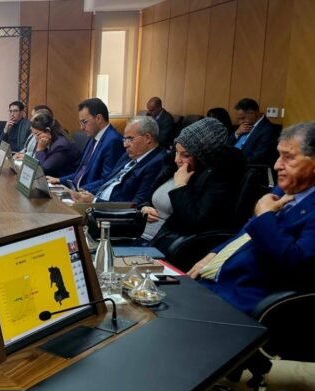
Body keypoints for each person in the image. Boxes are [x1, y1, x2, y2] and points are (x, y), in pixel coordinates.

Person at [188, 121, 315, 314]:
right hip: (216, 283)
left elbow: (296, 265)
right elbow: (246, 233)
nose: (276, 165)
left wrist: (265, 215)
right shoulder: (284, 189)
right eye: (279, 155)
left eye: (288, 157)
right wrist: (214, 254)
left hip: (244, 302)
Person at [140, 118, 245, 254]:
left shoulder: (219, 177)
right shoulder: (174, 167)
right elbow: (150, 198)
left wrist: (180, 186)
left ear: (202, 156)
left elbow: (193, 222)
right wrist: (144, 208)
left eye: (185, 155)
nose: (177, 159)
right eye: (176, 151)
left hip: (168, 244)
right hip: (144, 234)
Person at [69, 116, 166, 205]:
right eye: (125, 139)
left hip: (108, 213)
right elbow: (108, 181)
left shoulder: (158, 162)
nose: (125, 145)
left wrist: (94, 201)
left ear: (147, 138)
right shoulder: (129, 155)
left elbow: (136, 205)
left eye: (130, 139)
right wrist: (84, 192)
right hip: (96, 203)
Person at [49, 98, 124, 190]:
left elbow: (107, 181)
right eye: (80, 123)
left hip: (89, 195)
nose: (82, 127)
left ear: (98, 118)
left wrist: (80, 192)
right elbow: (82, 173)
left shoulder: (113, 141)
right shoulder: (93, 137)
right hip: (76, 191)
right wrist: (58, 180)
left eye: (84, 122)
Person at [16, 113, 79, 177]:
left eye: (37, 134)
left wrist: (40, 149)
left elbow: (43, 170)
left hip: (61, 180)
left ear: (47, 131)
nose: (35, 138)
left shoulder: (61, 145)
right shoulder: (50, 140)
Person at [226, 98, 278, 166]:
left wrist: (234, 164)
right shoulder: (245, 125)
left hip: (244, 166)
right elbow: (227, 145)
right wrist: (237, 133)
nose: (240, 122)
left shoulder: (267, 130)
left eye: (243, 118)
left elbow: (257, 157)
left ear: (253, 113)